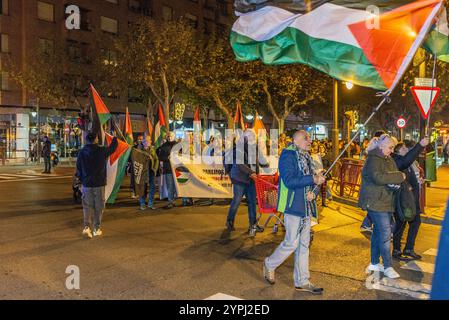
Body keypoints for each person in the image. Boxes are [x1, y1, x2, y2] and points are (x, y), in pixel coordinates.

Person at [263, 130, 326, 294]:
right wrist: (312, 179)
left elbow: (313, 181)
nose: (309, 141)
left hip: (306, 207)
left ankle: (302, 281)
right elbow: (289, 180)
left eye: (309, 138)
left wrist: (315, 190)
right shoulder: (288, 155)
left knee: (304, 245)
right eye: (306, 138)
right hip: (293, 206)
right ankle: (269, 264)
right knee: (292, 243)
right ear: (295, 140)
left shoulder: (307, 157)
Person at [358, 134, 406, 279]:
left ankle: (373, 263)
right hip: (375, 202)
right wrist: (399, 177)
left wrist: (394, 182)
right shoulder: (373, 159)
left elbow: (388, 177)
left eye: (393, 148)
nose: (392, 150)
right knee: (385, 233)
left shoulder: (388, 158)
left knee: (379, 233)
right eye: (390, 147)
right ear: (381, 146)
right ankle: (387, 266)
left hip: (385, 201)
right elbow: (378, 178)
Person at [392, 137, 429, 261]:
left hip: (412, 200)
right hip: (404, 201)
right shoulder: (397, 161)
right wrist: (420, 145)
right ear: (397, 151)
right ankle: (396, 249)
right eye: (403, 148)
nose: (406, 149)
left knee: (415, 222)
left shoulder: (408, 163)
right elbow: (406, 162)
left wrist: (418, 181)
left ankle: (409, 248)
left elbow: (410, 174)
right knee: (401, 224)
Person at [76, 131, 118, 238]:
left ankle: (86, 227)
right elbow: (113, 148)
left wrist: (81, 180)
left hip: (87, 183)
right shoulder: (101, 150)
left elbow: (79, 168)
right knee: (99, 206)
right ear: (96, 139)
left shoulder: (82, 152)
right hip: (99, 183)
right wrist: (114, 138)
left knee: (87, 206)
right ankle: (96, 228)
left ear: (86, 140)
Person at [225, 129, 265, 236]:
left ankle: (253, 224)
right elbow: (240, 164)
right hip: (240, 178)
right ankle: (230, 221)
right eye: (251, 137)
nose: (253, 139)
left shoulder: (254, 147)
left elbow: (255, 161)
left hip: (251, 178)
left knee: (252, 201)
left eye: (253, 137)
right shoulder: (239, 147)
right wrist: (251, 172)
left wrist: (258, 170)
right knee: (237, 201)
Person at [360, 130, 386, 232]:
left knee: (374, 205)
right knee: (375, 205)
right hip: (373, 183)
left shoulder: (371, 147)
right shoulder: (376, 149)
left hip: (371, 183)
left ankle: (367, 224)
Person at [132, 137, 158, 211]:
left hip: (151, 171)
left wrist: (155, 169)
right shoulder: (139, 149)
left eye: (148, 140)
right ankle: (142, 204)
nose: (146, 142)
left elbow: (156, 159)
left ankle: (150, 203)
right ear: (143, 142)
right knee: (142, 188)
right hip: (143, 172)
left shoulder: (152, 149)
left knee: (152, 187)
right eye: (145, 141)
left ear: (150, 141)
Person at [157, 132, 178, 209]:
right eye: (168, 136)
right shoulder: (163, 146)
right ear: (166, 137)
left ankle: (184, 200)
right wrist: (167, 158)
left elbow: (183, 155)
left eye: (171, 136)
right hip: (168, 169)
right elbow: (160, 157)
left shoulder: (178, 145)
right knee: (170, 186)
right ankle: (171, 201)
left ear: (174, 136)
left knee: (180, 185)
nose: (169, 137)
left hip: (177, 169)